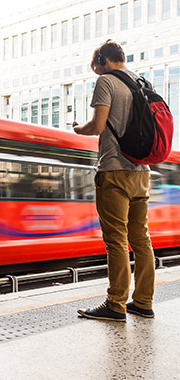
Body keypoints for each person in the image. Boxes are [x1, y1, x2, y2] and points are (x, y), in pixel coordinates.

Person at [74, 40, 155, 322]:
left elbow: (97, 126)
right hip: (142, 172)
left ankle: (116, 303)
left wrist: (77, 129)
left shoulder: (107, 81)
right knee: (141, 240)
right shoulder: (142, 82)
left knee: (116, 240)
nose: (96, 72)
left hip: (114, 170)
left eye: (95, 67)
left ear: (102, 60)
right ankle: (143, 302)